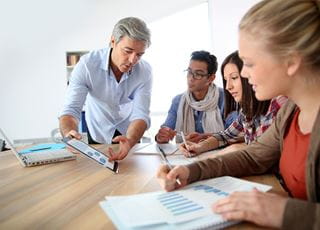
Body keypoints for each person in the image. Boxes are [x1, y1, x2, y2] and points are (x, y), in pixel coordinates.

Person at [157, 0, 320, 229]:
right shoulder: (291, 113)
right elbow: (252, 156)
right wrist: (189, 170)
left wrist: (284, 211)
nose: (243, 73)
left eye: (249, 63)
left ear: (291, 61)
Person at [59, 17, 152, 161]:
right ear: (113, 41)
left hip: (129, 133)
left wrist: (131, 140)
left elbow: (141, 114)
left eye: (139, 54)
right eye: (128, 51)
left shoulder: (144, 71)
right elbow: (71, 109)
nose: (133, 60)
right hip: (98, 129)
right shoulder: (87, 66)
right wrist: (69, 133)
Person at [183, 51, 287, 156]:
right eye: (226, 80)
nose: (228, 87)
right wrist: (199, 147)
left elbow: (268, 152)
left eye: (234, 78)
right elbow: (226, 136)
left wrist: (239, 148)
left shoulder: (278, 103)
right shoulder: (246, 110)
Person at [155, 51, 228, 144]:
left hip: (220, 155)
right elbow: (166, 130)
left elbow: (235, 135)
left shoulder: (225, 99)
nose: (191, 78)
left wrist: (205, 138)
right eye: (189, 72)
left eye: (198, 74)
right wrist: (161, 136)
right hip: (187, 154)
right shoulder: (178, 101)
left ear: (211, 78)